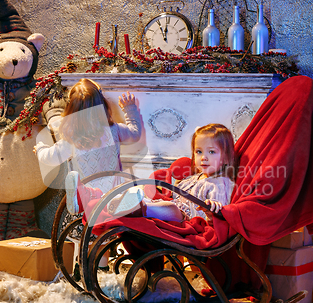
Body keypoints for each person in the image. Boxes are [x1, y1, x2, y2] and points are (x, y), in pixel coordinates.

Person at [34, 78, 143, 213]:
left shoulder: (71, 140)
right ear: (102, 104)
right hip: (114, 193)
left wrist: (40, 149)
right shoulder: (114, 130)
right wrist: (130, 109)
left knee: (83, 198)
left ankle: (88, 200)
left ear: (71, 111)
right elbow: (134, 134)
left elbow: (51, 158)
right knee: (124, 193)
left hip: (88, 201)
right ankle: (115, 205)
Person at [107, 123, 237, 223]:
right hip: (174, 209)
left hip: (189, 221)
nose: (203, 157)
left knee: (171, 208)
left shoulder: (220, 184)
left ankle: (140, 209)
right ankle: (123, 204)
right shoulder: (197, 177)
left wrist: (213, 208)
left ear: (226, 157)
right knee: (148, 195)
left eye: (212, 152)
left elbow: (220, 214)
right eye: (199, 151)